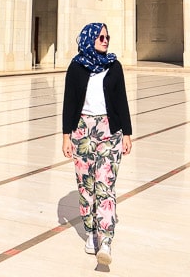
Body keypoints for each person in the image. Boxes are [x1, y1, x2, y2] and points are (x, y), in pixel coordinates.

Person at [62, 22, 133, 266]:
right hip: (82, 130)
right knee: (86, 185)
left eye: (107, 36)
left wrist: (127, 133)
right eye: (101, 36)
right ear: (89, 38)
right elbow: (69, 102)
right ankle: (91, 232)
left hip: (110, 130)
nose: (105, 40)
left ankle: (105, 240)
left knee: (105, 185)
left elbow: (121, 100)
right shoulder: (76, 67)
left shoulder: (114, 66)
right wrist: (65, 136)